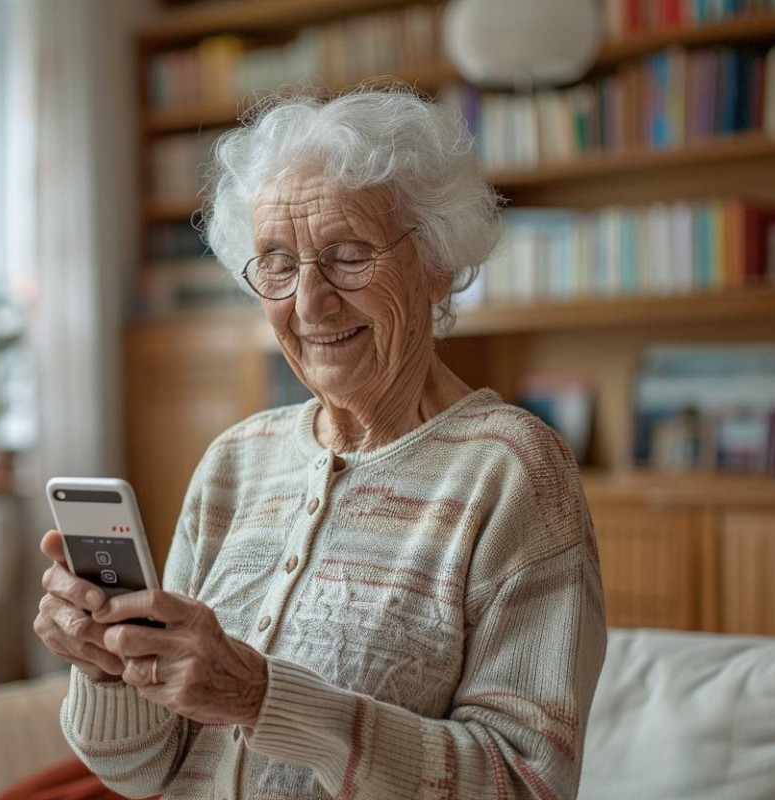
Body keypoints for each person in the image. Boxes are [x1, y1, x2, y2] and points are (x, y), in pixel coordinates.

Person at [33, 87, 607, 799]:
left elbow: (525, 784)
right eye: (277, 262)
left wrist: (259, 697)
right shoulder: (235, 463)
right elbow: (140, 769)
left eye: (347, 255)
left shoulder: (511, 470)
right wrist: (107, 666)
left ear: (436, 262)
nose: (310, 303)